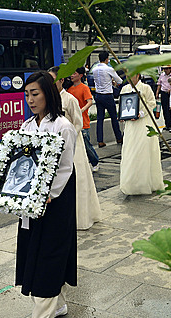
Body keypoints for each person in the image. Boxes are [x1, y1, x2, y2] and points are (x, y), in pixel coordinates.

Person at [17, 71, 77, 318]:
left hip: (56, 200)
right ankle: (59, 303)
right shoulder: (27, 126)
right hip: (31, 201)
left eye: (35, 94)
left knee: (49, 254)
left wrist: (48, 194)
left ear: (48, 94)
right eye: (27, 94)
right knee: (34, 249)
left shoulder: (62, 126)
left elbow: (65, 167)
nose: (30, 99)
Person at [48, 66, 101, 230]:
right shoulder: (49, 99)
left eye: (52, 79)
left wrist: (67, 138)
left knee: (78, 180)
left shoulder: (69, 99)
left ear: (61, 80)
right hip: (54, 146)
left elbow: (77, 123)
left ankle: (81, 217)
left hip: (72, 145)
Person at [119, 74, 164, 195]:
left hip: (143, 123)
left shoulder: (145, 88)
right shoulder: (125, 89)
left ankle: (146, 183)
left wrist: (141, 113)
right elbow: (122, 104)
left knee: (143, 151)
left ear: (138, 75)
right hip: (130, 126)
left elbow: (152, 103)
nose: (129, 77)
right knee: (130, 152)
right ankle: (131, 183)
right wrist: (123, 115)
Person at [67, 67, 100, 172]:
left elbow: (89, 101)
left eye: (74, 73)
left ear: (80, 75)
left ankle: (95, 161)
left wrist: (80, 110)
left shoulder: (84, 88)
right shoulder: (69, 89)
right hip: (71, 122)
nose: (72, 75)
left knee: (86, 145)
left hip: (83, 122)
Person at [92, 51, 123, 145]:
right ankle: (118, 137)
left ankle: (100, 140)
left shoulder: (94, 69)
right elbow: (120, 81)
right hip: (107, 95)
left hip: (98, 95)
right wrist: (113, 81)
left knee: (100, 118)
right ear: (106, 59)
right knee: (114, 117)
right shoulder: (109, 69)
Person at [156, 65, 171, 132]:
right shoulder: (162, 75)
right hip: (163, 93)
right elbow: (159, 84)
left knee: (170, 109)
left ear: (170, 69)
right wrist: (157, 93)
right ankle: (167, 124)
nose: (165, 70)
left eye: (166, 69)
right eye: (164, 69)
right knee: (164, 109)